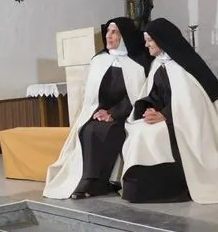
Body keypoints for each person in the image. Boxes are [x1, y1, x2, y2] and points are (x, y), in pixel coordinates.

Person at [120, 18, 218, 204]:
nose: (146, 45)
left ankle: (169, 188)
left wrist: (164, 115)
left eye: (149, 40)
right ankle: (140, 189)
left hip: (186, 122)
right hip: (169, 117)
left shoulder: (183, 67)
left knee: (149, 135)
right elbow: (154, 94)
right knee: (138, 130)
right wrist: (149, 109)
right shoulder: (158, 64)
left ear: (162, 40)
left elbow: (192, 103)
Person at [44, 17, 152, 200]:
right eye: (108, 31)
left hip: (126, 115)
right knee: (87, 129)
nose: (108, 35)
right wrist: (99, 111)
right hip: (100, 112)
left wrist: (113, 113)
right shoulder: (99, 60)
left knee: (103, 131)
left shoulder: (139, 64)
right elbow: (93, 95)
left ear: (125, 36)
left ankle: (97, 182)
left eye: (114, 32)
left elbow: (137, 96)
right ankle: (88, 179)